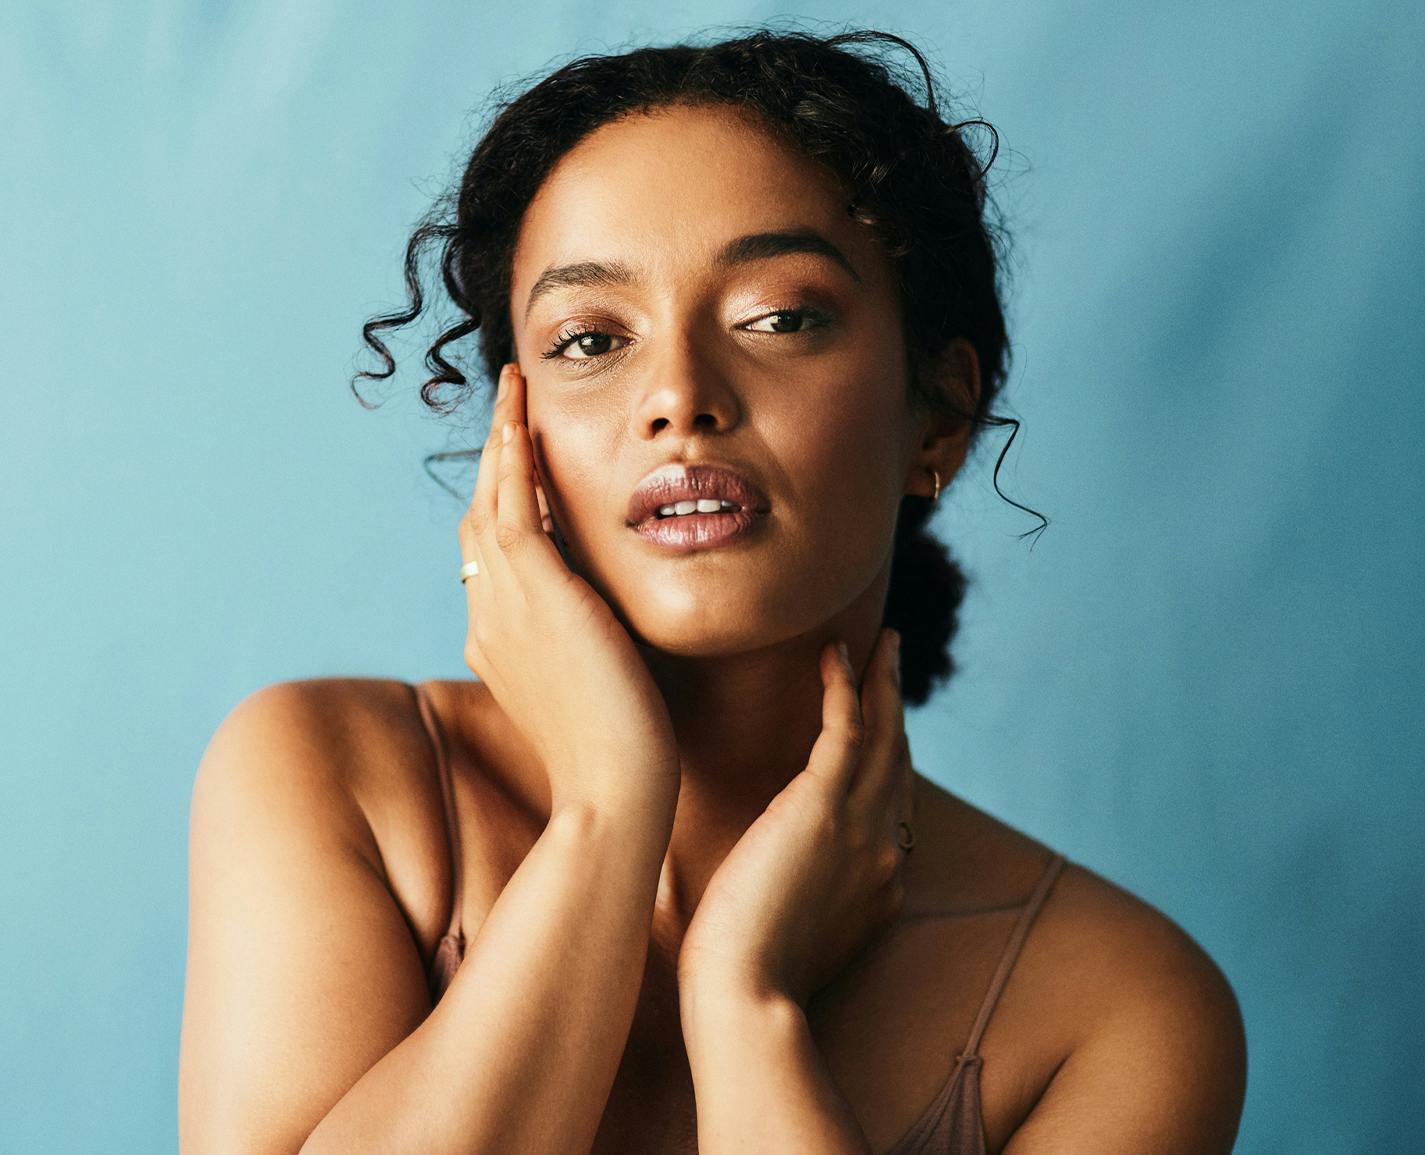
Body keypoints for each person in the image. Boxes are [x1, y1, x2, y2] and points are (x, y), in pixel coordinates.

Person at [178, 27, 1246, 1155]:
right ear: (517, 429)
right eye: (591, 338)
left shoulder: (1122, 1012)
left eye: (778, 318)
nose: (678, 396)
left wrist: (746, 1004)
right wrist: (606, 809)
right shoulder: (336, 779)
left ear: (938, 410)